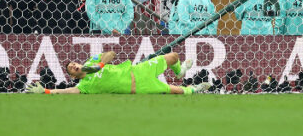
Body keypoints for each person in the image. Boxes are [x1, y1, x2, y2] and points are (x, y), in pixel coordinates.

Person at [26, 50, 209, 95]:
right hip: (140, 87)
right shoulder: (85, 85)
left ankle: (180, 71)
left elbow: (111, 53)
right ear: (73, 76)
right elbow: (67, 91)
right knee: (177, 91)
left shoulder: (92, 62)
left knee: (174, 56)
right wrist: (47, 91)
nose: (74, 66)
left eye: (74, 63)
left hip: (138, 70)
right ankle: (196, 88)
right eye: (71, 69)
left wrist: (99, 65)